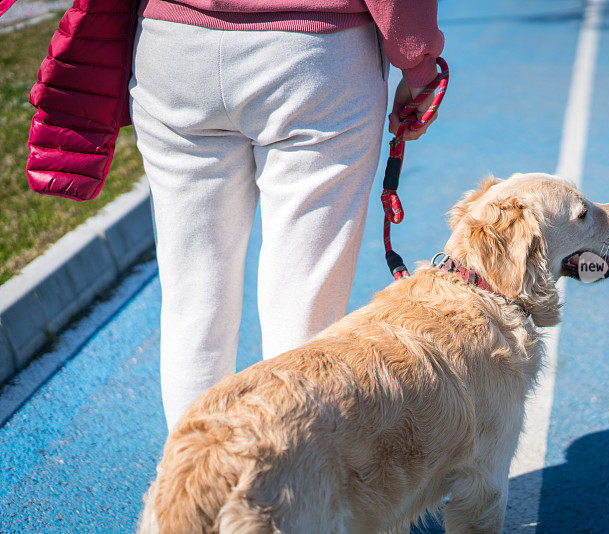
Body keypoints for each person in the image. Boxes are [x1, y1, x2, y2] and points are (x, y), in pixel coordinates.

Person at [128, 0, 444, 430]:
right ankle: (293, 483)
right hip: (311, 55)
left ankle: (194, 485)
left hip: (173, 48)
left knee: (193, 298)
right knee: (303, 307)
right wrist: (418, 62)